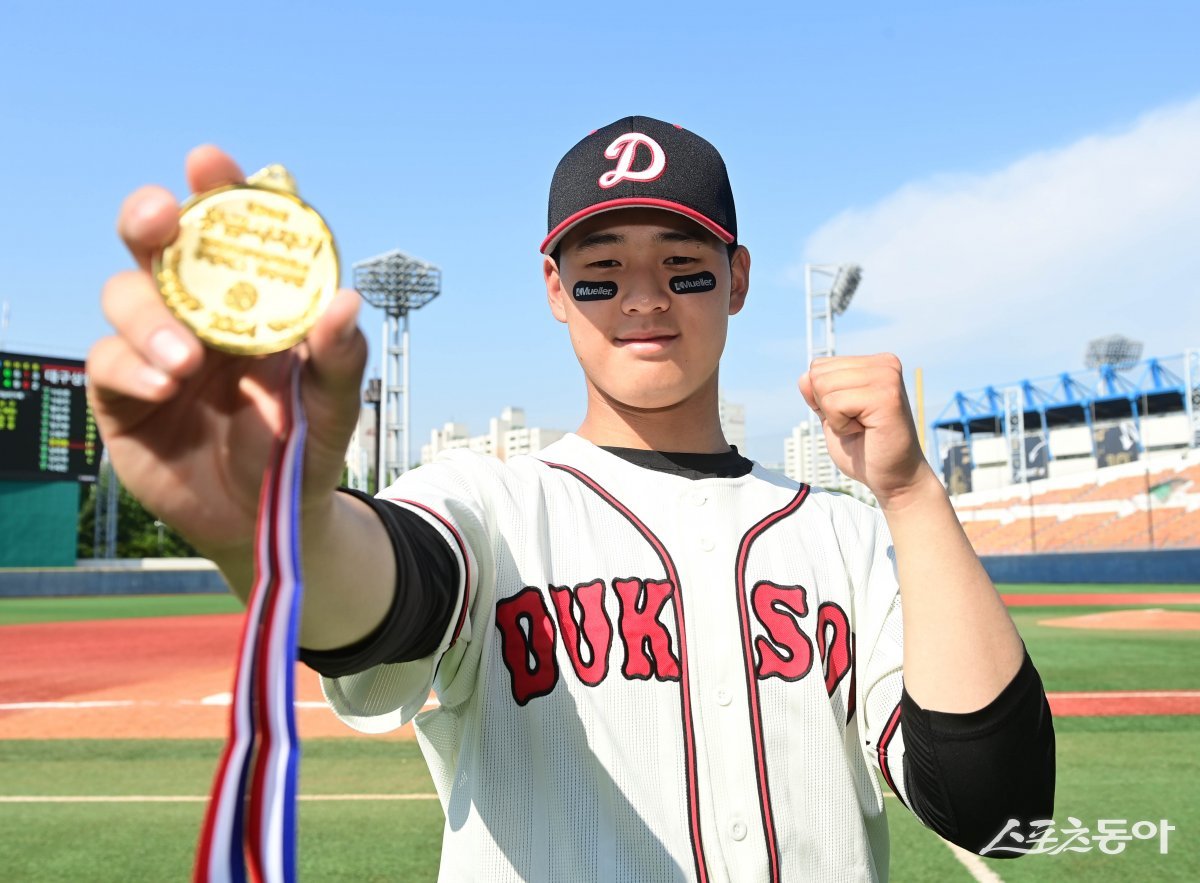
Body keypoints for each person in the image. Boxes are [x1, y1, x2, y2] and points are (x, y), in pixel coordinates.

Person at [91, 116, 1054, 881]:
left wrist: (911, 491)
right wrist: (287, 521)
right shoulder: (491, 501)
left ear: (739, 278)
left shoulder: (848, 538)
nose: (643, 296)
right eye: (601, 272)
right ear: (554, 288)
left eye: (683, 262)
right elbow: (389, 590)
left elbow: (998, 813)